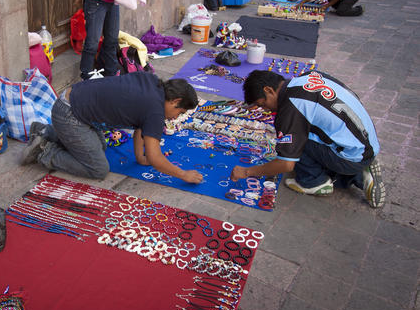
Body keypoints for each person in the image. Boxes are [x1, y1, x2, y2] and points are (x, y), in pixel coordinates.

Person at [230, 70, 385, 208]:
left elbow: (286, 164)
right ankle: (360, 176)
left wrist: (246, 172)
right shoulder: (308, 76)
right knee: (302, 132)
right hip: (366, 143)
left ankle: (315, 182)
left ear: (269, 90)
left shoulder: (290, 107)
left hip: (353, 156)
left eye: (262, 104)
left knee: (292, 143)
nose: (265, 110)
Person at [21, 73, 203, 184]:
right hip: (70, 115)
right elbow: (155, 158)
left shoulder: (153, 83)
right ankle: (44, 151)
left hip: (69, 103)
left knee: (100, 147)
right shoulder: (155, 111)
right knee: (98, 168)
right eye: (179, 112)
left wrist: (140, 158)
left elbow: (141, 128)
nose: (176, 117)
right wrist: (183, 174)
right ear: (175, 101)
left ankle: (45, 132)